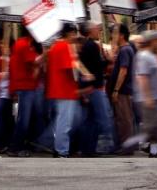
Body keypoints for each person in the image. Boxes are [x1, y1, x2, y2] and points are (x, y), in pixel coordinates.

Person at [46, 23, 83, 158]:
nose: (75, 36)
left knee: (61, 121)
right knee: (65, 122)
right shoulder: (63, 46)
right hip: (65, 90)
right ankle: (62, 150)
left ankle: (59, 148)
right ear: (69, 33)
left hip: (60, 90)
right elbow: (69, 68)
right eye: (74, 33)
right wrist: (78, 65)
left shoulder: (56, 46)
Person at [78, 21, 111, 157]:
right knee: (103, 118)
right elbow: (96, 67)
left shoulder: (88, 45)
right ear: (90, 31)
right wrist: (108, 60)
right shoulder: (91, 46)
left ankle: (88, 149)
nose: (99, 30)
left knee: (91, 120)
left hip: (91, 87)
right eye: (96, 28)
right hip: (95, 88)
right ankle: (104, 146)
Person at [8, 26, 41, 157]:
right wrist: (46, 53)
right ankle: (16, 147)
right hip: (25, 86)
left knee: (25, 118)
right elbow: (34, 61)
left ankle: (18, 145)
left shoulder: (24, 44)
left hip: (27, 86)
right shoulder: (23, 44)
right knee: (24, 119)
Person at [132, 31, 157, 157]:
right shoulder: (144, 56)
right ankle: (152, 151)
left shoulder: (152, 55)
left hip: (156, 96)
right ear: (152, 41)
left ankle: (153, 149)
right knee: (153, 125)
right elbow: (142, 77)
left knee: (155, 125)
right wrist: (148, 97)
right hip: (150, 97)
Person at [109, 23, 136, 152]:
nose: (113, 35)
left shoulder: (125, 50)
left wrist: (116, 90)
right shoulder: (125, 49)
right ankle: (127, 145)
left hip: (123, 91)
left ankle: (126, 147)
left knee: (124, 119)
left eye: (115, 33)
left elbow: (123, 71)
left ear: (122, 35)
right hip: (125, 90)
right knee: (125, 118)